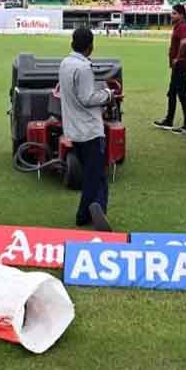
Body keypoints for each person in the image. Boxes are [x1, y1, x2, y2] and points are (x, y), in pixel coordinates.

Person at [59, 28, 114, 232]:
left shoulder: (65, 63)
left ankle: (98, 210)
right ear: (90, 46)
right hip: (90, 130)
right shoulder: (83, 68)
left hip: (74, 128)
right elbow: (87, 98)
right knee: (94, 176)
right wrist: (107, 95)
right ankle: (85, 215)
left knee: (97, 175)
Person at [153, 3, 186, 135]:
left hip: (180, 65)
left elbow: (184, 43)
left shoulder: (182, 27)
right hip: (178, 66)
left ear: (181, 15)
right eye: (172, 13)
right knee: (172, 93)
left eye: (174, 13)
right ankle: (169, 121)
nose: (172, 15)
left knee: (182, 95)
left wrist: (177, 57)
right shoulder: (178, 27)